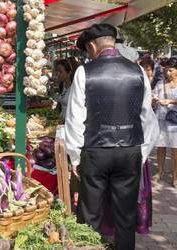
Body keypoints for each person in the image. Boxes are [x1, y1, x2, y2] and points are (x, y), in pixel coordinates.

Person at [65, 24, 159, 250]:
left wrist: (75, 157)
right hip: (130, 151)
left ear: (91, 46)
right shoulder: (137, 71)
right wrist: (141, 153)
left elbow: (75, 117)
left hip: (95, 151)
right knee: (126, 216)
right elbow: (148, 118)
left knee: (90, 215)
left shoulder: (84, 72)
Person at [152, 58, 177, 187]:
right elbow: (153, 97)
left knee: (175, 150)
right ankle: (160, 172)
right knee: (161, 147)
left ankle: (175, 176)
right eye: (166, 69)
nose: (167, 72)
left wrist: (171, 101)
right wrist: (154, 100)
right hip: (160, 119)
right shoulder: (160, 83)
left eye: (171, 70)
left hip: (174, 122)